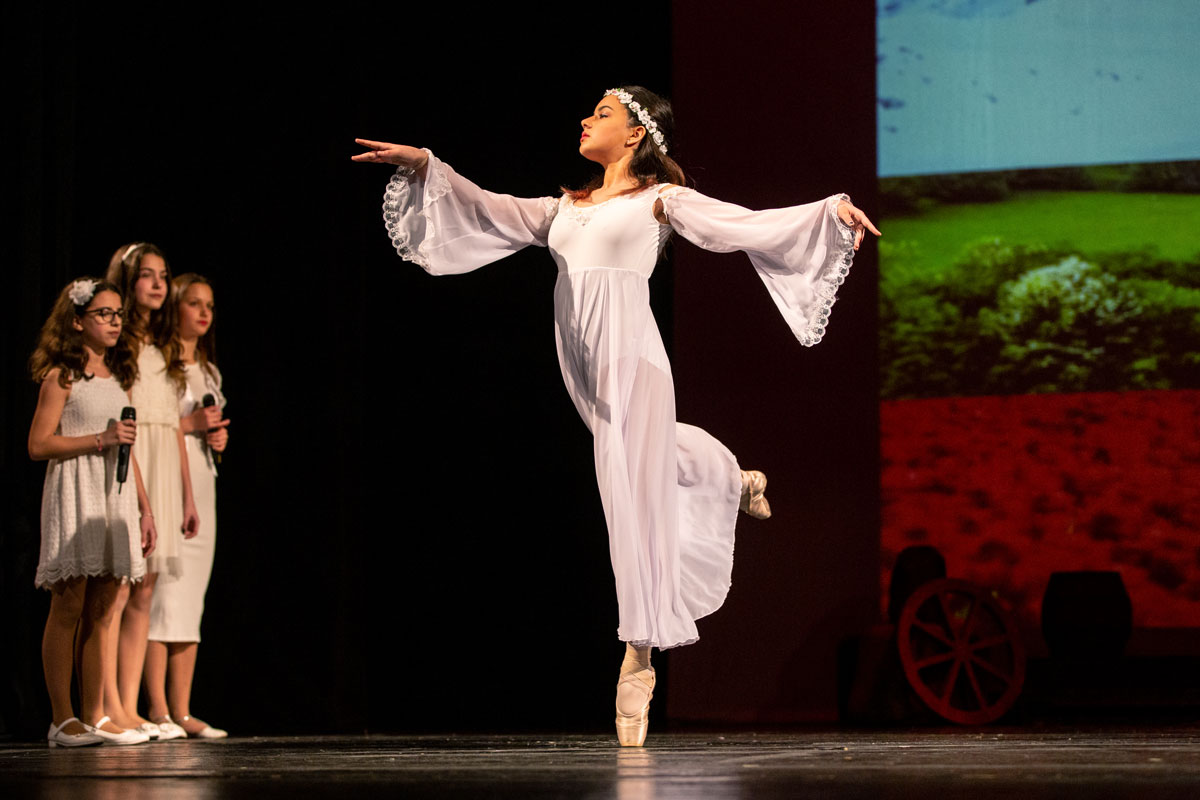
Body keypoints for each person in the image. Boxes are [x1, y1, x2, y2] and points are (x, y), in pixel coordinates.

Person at [352, 85, 880, 746]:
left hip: (632, 354)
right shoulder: (562, 210)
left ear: (636, 135)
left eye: (601, 113)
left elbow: (742, 224)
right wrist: (426, 164)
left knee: (628, 489)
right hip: (582, 364)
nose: (584, 119)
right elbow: (485, 206)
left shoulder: (660, 200)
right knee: (641, 457)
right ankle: (731, 477)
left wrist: (827, 212)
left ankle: (639, 656)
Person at [29, 278, 157, 746]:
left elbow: (128, 449)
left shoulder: (118, 377)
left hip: (113, 496)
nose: (115, 321)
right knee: (68, 604)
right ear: (78, 320)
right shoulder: (62, 376)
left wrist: (145, 509)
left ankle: (95, 715)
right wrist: (99, 440)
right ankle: (62, 719)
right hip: (76, 491)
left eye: (118, 313)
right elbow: (38, 444)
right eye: (104, 313)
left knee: (103, 609)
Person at [104, 242, 200, 741]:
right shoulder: (117, 343)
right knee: (120, 589)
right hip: (134, 462)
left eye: (164, 275)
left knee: (145, 592)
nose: (159, 284)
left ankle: (131, 705)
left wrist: (186, 495)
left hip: (165, 465)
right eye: (148, 275)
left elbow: (173, 426)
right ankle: (110, 705)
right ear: (127, 281)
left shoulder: (163, 345)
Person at [143, 273, 230, 739]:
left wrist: (216, 438)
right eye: (194, 303)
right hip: (170, 482)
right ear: (174, 307)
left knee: (190, 598)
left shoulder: (208, 370)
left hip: (203, 481)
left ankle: (182, 710)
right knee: (163, 597)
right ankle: (157, 710)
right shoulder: (159, 364)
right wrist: (190, 424)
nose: (203, 313)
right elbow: (157, 425)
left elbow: (206, 427)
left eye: (209, 305)